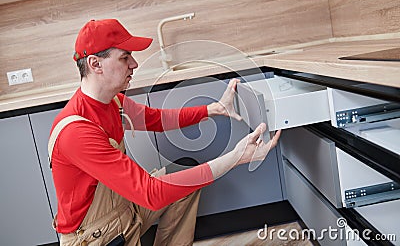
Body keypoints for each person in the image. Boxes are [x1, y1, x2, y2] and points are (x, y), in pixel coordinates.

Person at [48, 18, 281, 246]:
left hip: (126, 210)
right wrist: (235, 158)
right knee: (163, 188)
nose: (134, 64)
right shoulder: (76, 132)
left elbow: (157, 119)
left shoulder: (113, 103)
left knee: (184, 180)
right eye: (125, 57)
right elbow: (151, 194)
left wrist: (215, 109)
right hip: (95, 237)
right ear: (95, 64)